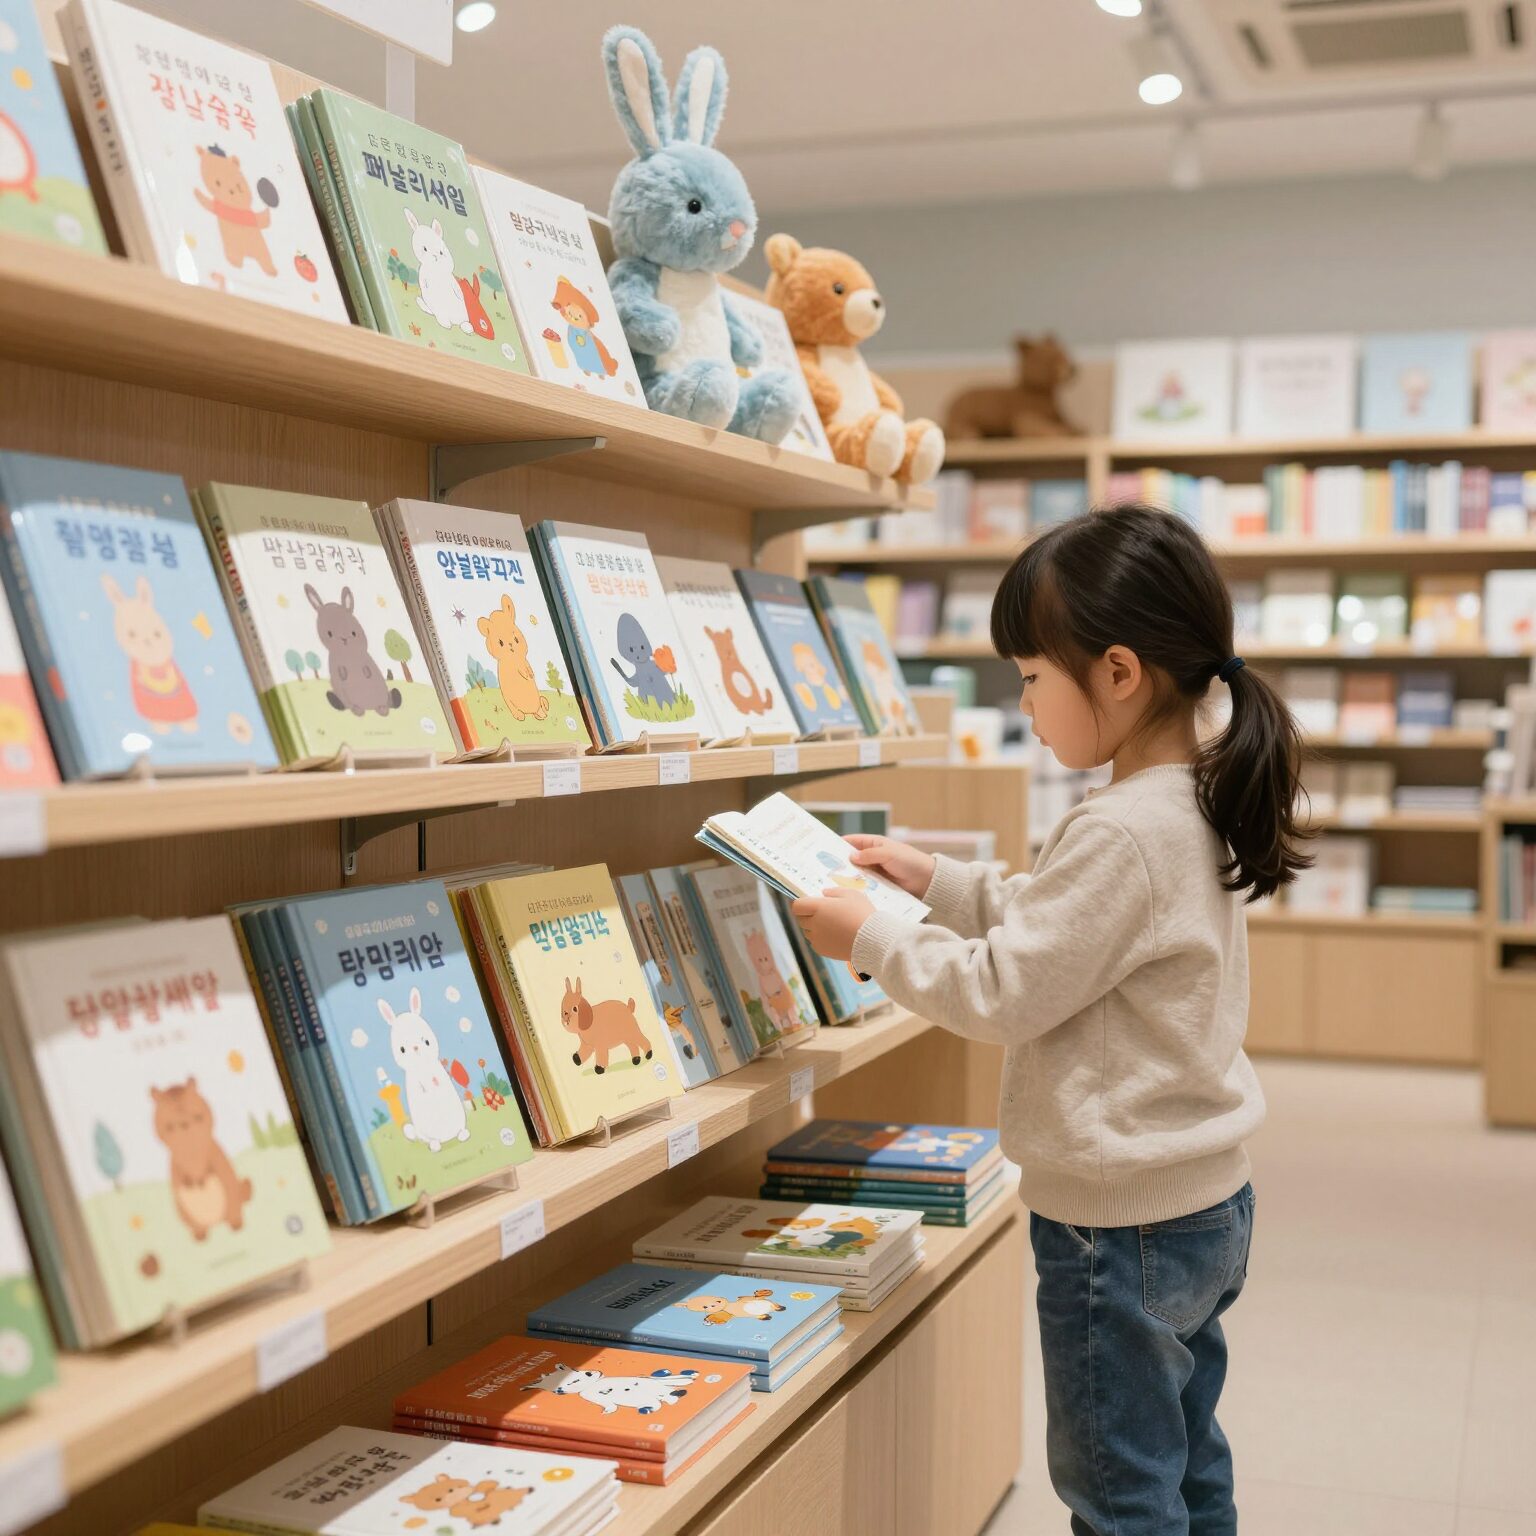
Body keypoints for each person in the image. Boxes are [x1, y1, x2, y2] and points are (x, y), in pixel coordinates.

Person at [791, 503, 1310, 1535]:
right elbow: (1067, 933)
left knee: (1119, 1492)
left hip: (1116, 1227)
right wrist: (934, 881)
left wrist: (871, 938)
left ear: (1118, 674)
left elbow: (1005, 991)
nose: (1022, 703)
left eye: (1032, 677)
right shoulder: (1187, 797)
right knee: (1186, 1456)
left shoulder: (1123, 828)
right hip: (1202, 1201)